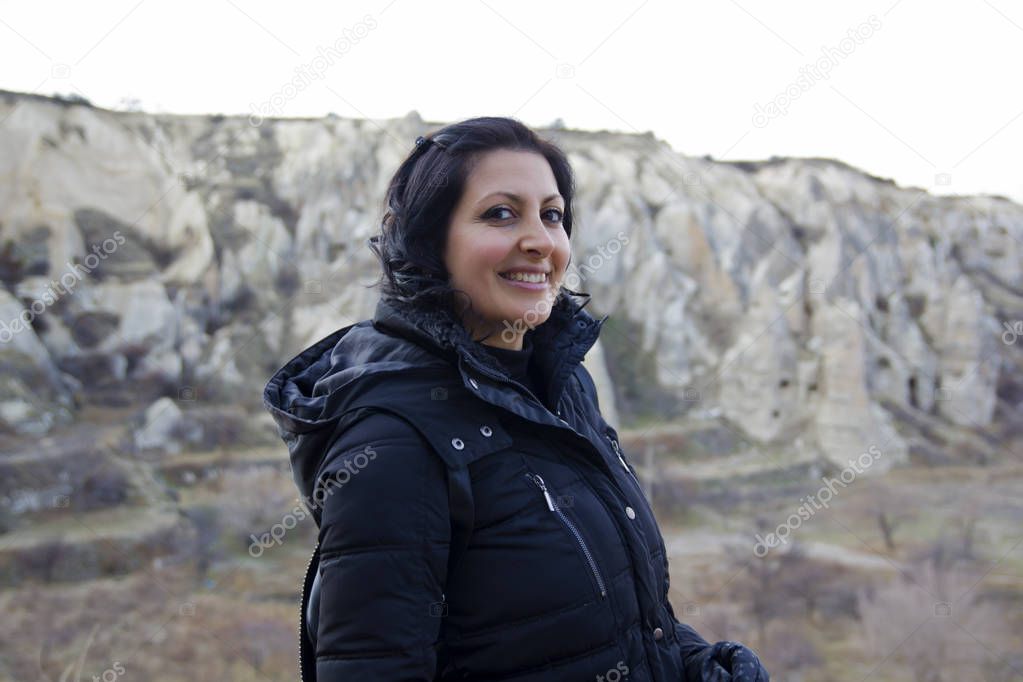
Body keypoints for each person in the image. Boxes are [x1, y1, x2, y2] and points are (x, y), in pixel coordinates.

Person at [263, 116, 770, 681]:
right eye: (500, 214)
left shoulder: (562, 384)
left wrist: (698, 667)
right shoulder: (394, 438)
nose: (539, 240)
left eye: (552, 215)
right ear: (429, 242)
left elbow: (621, 623)